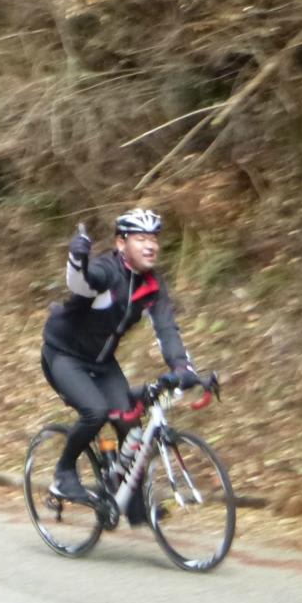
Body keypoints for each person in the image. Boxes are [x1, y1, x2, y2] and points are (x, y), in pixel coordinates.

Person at [39, 207, 202, 515]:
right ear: (120, 244)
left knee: (130, 421)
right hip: (63, 355)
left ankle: (134, 506)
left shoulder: (152, 285)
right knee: (96, 412)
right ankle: (64, 473)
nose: (150, 245)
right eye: (141, 239)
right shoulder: (107, 271)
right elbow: (81, 284)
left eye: (153, 239)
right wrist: (76, 259)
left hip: (102, 362)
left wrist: (183, 367)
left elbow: (166, 328)